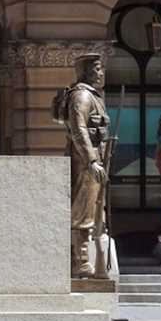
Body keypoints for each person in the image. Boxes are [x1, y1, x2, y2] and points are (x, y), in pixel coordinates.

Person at [60, 53, 110, 279]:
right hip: (85, 163)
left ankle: (88, 260)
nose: (101, 73)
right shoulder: (81, 96)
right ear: (86, 71)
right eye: (97, 68)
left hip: (97, 161)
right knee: (82, 211)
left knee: (95, 211)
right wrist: (91, 161)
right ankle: (80, 261)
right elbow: (79, 130)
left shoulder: (94, 96)